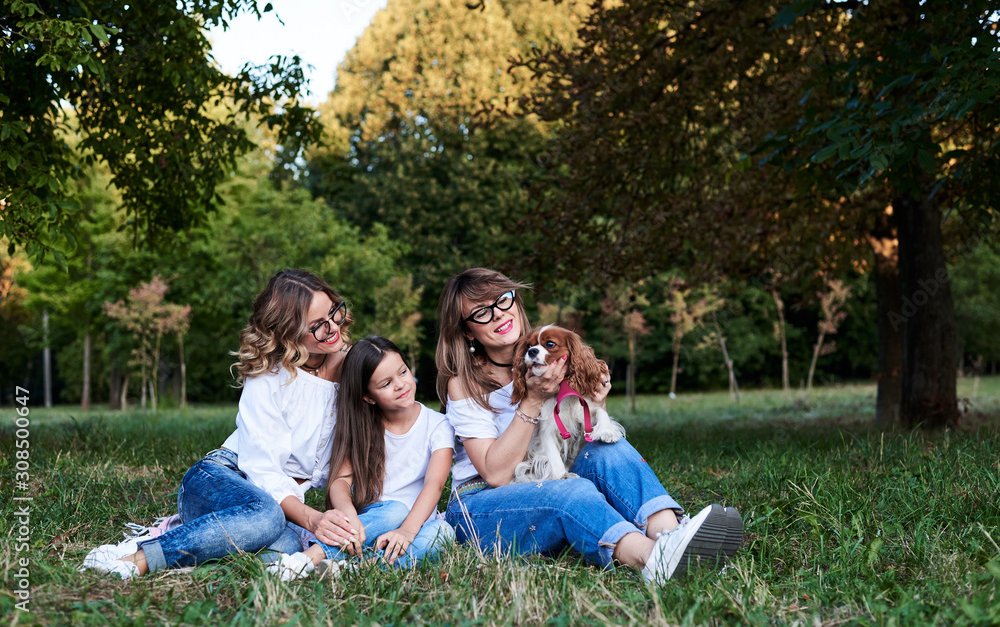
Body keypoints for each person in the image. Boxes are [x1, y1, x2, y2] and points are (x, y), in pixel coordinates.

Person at [435, 268, 742, 584]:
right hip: (481, 506)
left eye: (502, 300)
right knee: (571, 490)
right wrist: (531, 400)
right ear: (467, 331)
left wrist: (597, 403)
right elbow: (496, 474)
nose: (498, 314)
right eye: (482, 312)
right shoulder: (464, 384)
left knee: (609, 448)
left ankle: (675, 536)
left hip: (544, 475)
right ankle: (654, 560)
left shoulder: (551, 354)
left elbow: (577, 438)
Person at [82, 269, 359, 578]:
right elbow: (264, 472)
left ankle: (200, 538)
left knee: (287, 546)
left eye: (334, 312)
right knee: (267, 519)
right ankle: (138, 560)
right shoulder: (269, 377)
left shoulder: (355, 367)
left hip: (280, 512)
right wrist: (313, 519)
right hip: (221, 478)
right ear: (288, 333)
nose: (333, 327)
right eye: (318, 326)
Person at [269, 336, 455, 580]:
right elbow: (340, 481)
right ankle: (306, 559)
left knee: (443, 533)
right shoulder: (364, 427)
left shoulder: (438, 425)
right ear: (368, 396)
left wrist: (407, 532)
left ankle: (357, 567)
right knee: (395, 511)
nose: (400, 384)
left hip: (414, 526)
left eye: (403, 372)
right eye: (386, 383)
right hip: (373, 522)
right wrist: (350, 517)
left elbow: (435, 484)